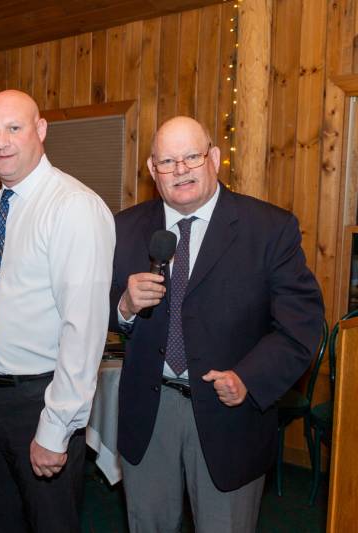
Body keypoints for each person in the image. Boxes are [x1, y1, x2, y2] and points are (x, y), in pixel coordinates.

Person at [110, 116, 324, 532]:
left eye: (191, 156)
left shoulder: (269, 228)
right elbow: (96, 306)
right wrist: (123, 305)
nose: (181, 170)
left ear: (213, 158)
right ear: (153, 171)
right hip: (148, 414)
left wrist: (248, 378)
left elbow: (302, 326)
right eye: (168, 161)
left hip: (231, 414)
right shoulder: (125, 227)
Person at [0, 89, 115, 532]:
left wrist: (56, 427)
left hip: (38, 402)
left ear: (40, 131)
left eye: (14, 128)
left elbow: (83, 330)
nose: (1, 141)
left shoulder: (73, 207)